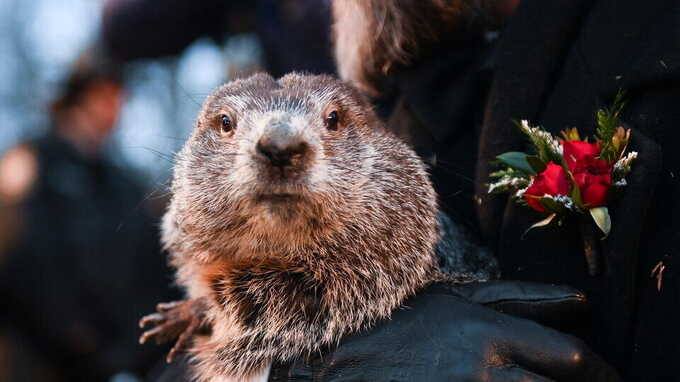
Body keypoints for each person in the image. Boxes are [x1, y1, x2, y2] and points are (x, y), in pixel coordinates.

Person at [0, 48, 178, 381]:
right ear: (78, 95)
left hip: (115, 364)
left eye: (119, 96)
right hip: (39, 364)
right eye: (104, 94)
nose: (115, 107)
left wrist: (131, 353)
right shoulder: (31, 164)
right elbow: (19, 257)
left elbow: (149, 266)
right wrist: (79, 339)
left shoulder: (122, 183)